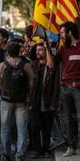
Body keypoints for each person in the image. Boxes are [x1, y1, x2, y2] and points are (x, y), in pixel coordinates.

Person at [0, 41, 35, 161]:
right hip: (22, 100)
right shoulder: (26, 65)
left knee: (5, 127)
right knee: (21, 128)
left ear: (7, 52)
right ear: (19, 51)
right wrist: (28, 94)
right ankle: (20, 154)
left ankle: (5, 153)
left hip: (6, 101)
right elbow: (32, 81)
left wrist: (5, 89)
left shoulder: (2, 65)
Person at [46, 22, 80, 157]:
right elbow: (51, 65)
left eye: (62, 32)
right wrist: (47, 49)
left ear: (70, 33)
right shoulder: (63, 49)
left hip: (78, 88)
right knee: (68, 119)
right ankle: (72, 147)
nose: (60, 35)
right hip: (65, 88)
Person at [29, 43, 59, 158]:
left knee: (47, 128)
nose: (38, 52)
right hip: (34, 101)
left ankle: (46, 149)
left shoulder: (50, 66)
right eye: (37, 50)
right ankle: (37, 150)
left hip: (47, 101)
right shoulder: (33, 65)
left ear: (46, 51)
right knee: (34, 126)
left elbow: (51, 67)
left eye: (40, 50)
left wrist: (47, 49)